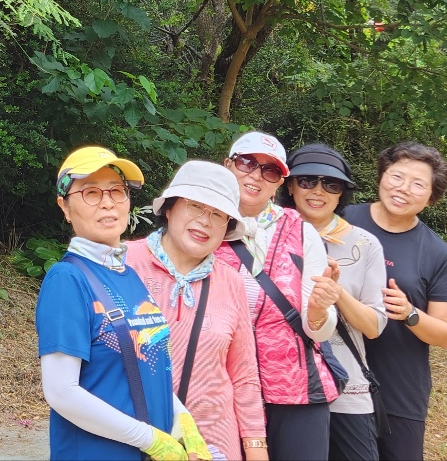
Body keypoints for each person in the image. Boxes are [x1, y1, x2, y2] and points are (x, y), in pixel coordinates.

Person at [36, 146, 218, 461]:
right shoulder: (68, 280)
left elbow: (150, 369)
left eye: (116, 191)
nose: (107, 202)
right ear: (64, 207)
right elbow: (61, 392)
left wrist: (183, 421)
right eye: (91, 192)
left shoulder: (129, 276)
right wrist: (148, 439)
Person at [127, 161, 268, 461]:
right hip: (133, 440)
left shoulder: (231, 282)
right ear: (169, 208)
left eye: (218, 214)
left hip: (214, 446)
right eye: (195, 206)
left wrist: (256, 449)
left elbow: (244, 375)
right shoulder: (123, 264)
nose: (205, 221)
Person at [214, 131, 339, 461]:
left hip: (294, 389)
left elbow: (319, 330)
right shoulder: (204, 224)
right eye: (247, 163)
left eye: (270, 170)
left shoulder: (301, 231)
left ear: (280, 182)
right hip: (222, 389)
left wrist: (318, 310)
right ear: (228, 165)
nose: (256, 175)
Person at [341, 143, 447, 461]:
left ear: (431, 198)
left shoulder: (437, 254)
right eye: (397, 177)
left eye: (418, 184)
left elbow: (446, 334)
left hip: (398, 389)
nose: (403, 189)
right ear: (382, 175)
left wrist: (410, 313)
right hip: (334, 377)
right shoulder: (341, 221)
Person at [281, 144, 388, 461]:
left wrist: (335, 291)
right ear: (290, 185)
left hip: (347, 386)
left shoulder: (364, 244)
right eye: (307, 181)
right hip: (286, 385)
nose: (318, 191)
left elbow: (374, 327)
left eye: (331, 184)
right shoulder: (265, 237)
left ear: (342, 193)